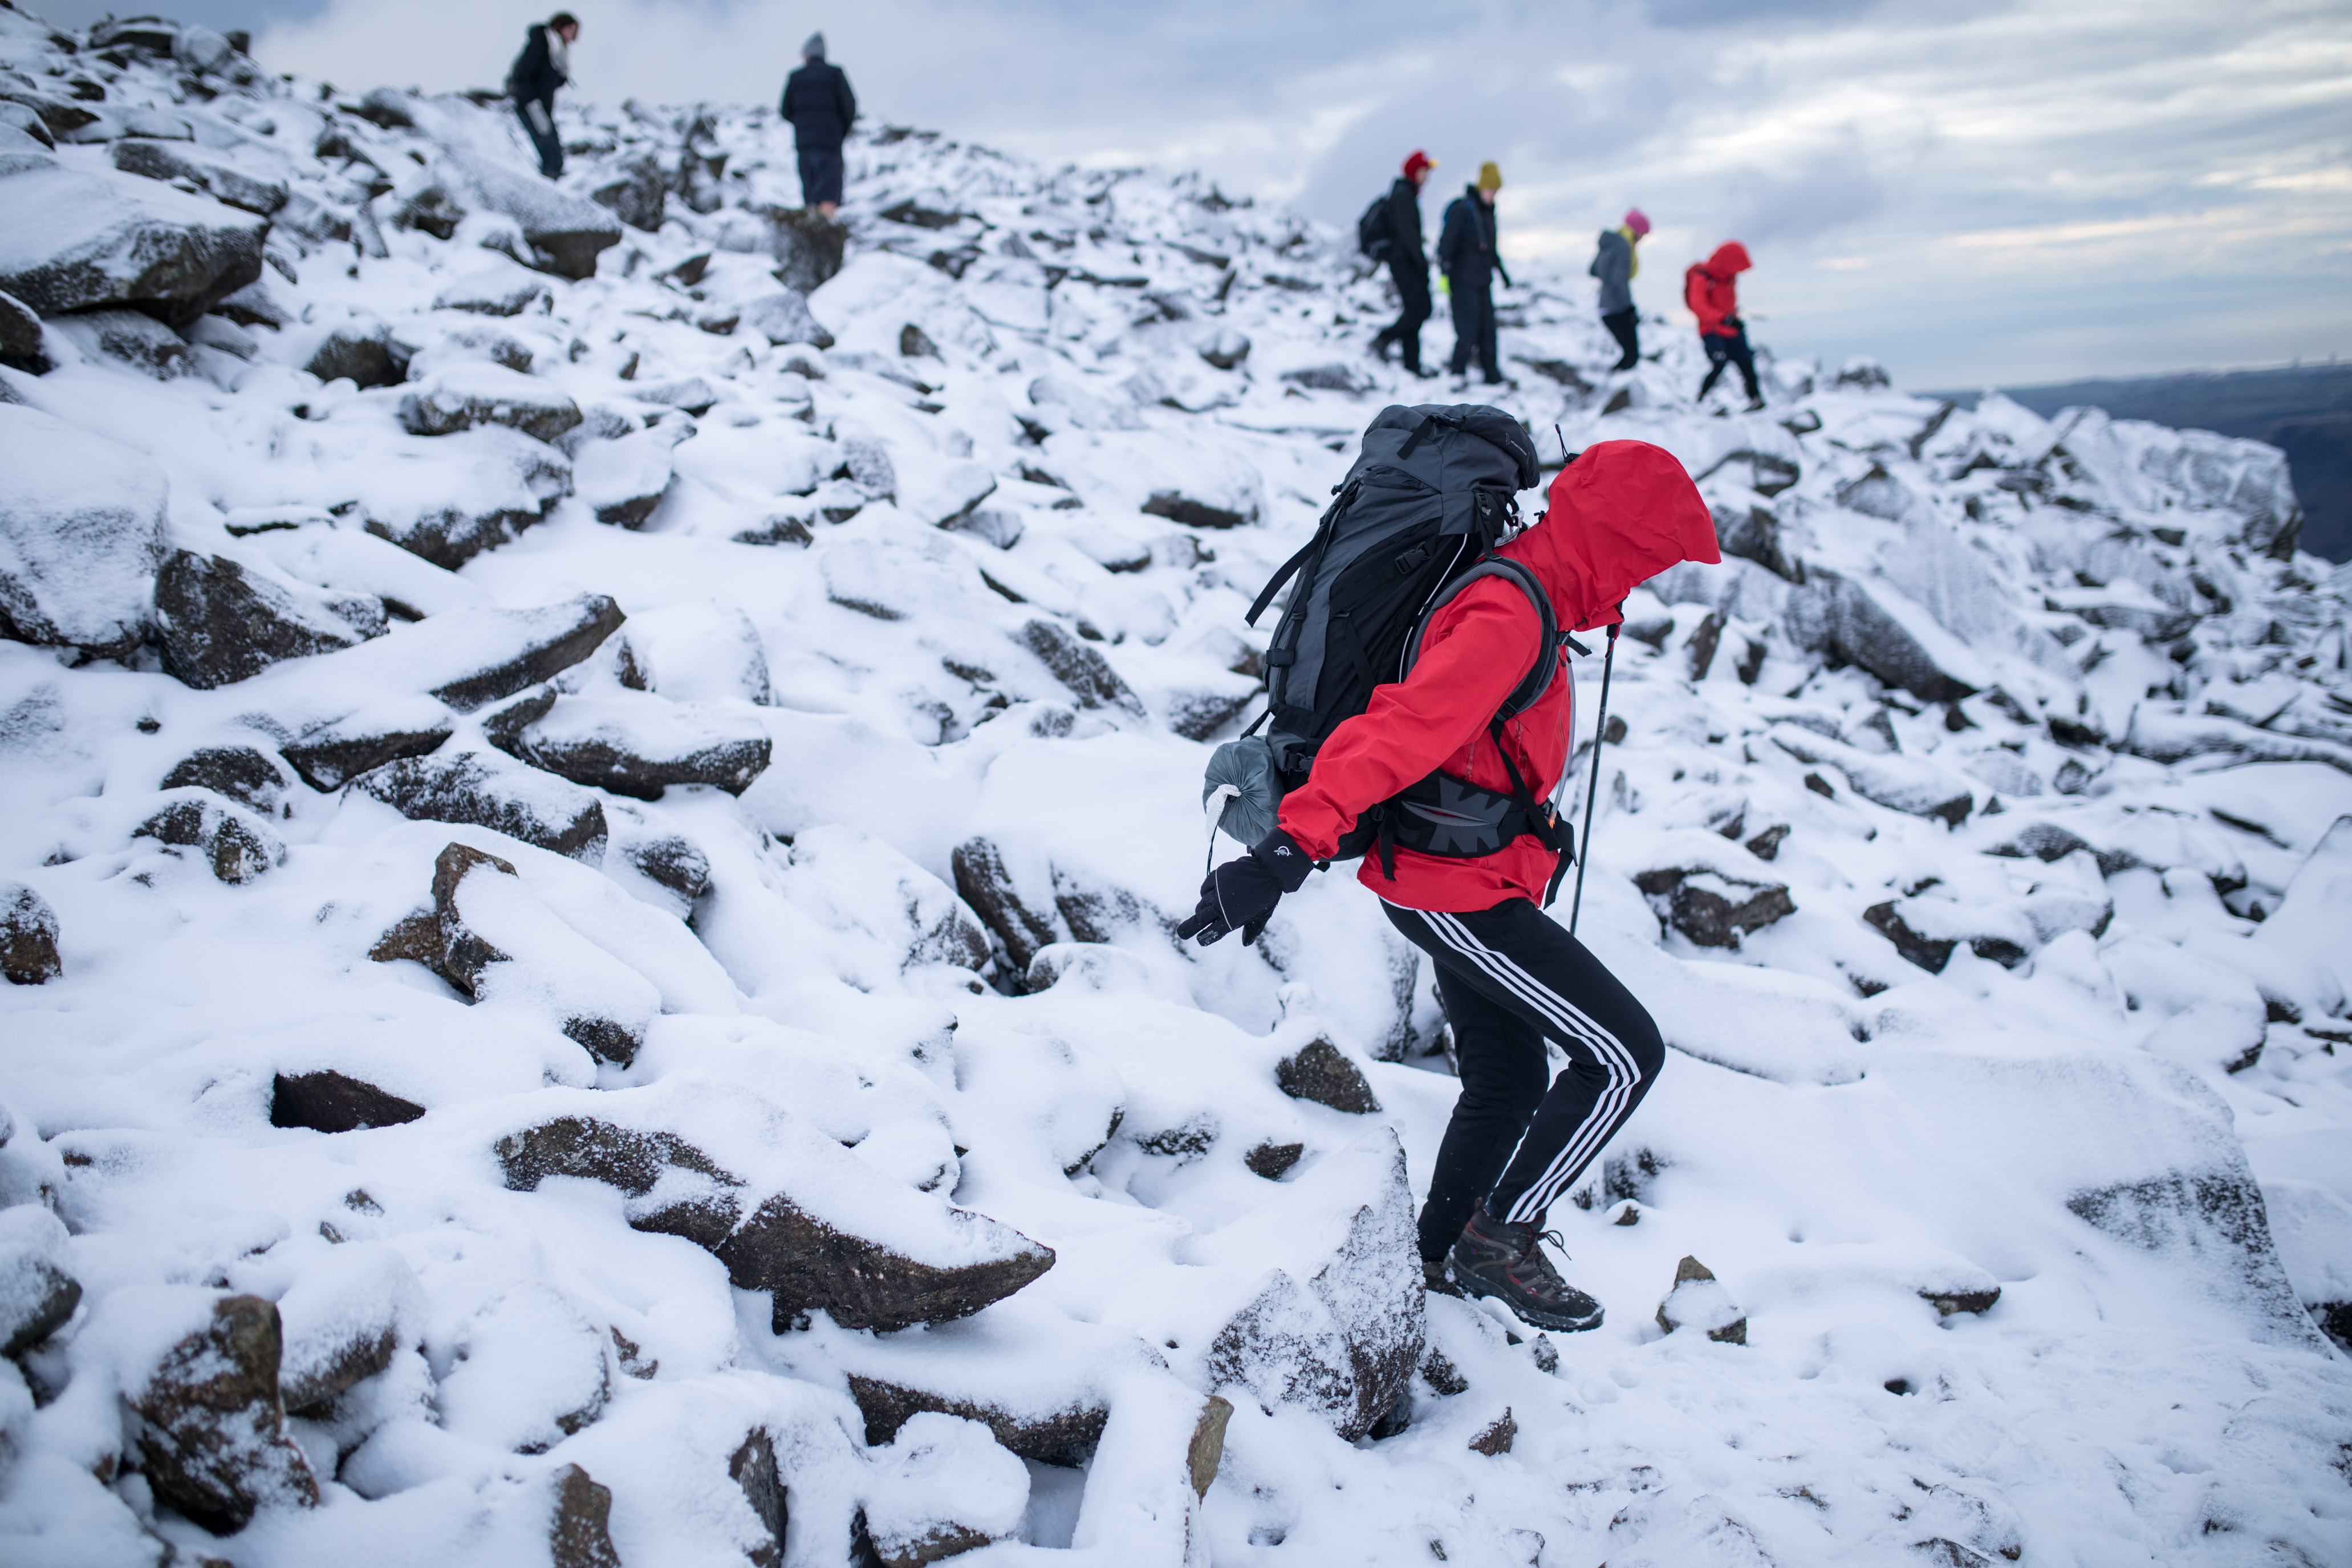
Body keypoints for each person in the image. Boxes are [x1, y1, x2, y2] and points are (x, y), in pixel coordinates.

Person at [1177, 440, 1721, 1333]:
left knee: (1506, 1080)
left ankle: (1431, 1264)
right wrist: (1286, 854)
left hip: (1479, 876)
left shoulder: (1542, 596)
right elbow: (1402, 730)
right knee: (1624, 1055)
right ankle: (1499, 1237)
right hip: (1452, 890)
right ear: (1613, 538)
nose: (1650, 576)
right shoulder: (1510, 609)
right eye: (1648, 555)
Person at [1437, 163, 1513, 385]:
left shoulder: (1488, 213)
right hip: (1462, 280)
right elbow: (1447, 241)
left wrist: (1503, 273)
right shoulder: (1464, 209)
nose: (1493, 194)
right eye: (1490, 189)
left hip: (1483, 280)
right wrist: (1444, 271)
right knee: (1467, 328)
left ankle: (1492, 374)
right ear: (1481, 187)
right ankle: (1457, 373)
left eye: (1496, 190)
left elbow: (1490, 248)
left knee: (1488, 329)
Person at [1367, 151, 1438, 377]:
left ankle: (1412, 364)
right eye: (1425, 170)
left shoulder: (1405, 194)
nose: (1428, 176)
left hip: (1403, 260)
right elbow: (1408, 236)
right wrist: (1422, 264)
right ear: (1414, 172)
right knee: (1422, 308)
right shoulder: (1403, 196)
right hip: (1404, 261)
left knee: (1414, 309)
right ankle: (1384, 338)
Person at [781, 31, 858, 218]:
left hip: (805, 143)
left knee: (811, 193)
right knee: (829, 192)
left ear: (807, 55)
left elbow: (785, 110)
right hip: (830, 142)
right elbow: (850, 106)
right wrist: (841, 131)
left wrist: (802, 125)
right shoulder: (835, 74)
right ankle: (827, 238)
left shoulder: (796, 77)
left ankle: (811, 238)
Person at [1685, 241, 1764, 411]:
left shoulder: (1729, 278)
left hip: (1731, 330)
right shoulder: (1702, 277)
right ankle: (1701, 399)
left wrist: (1733, 319)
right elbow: (1698, 306)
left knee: (1747, 363)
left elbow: (1726, 304)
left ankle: (1756, 400)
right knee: (1719, 363)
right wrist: (1723, 318)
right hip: (1712, 331)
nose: (1738, 273)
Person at [506, 11, 578, 180]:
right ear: (559, 26)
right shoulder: (541, 42)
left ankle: (552, 182)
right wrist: (531, 100)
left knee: (553, 152)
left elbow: (548, 79)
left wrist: (560, 76)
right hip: (531, 105)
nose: (572, 36)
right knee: (550, 153)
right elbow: (522, 72)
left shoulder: (556, 52)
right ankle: (549, 184)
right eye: (570, 30)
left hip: (541, 107)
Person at [1590, 208, 1650, 372]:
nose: (1643, 239)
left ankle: (1615, 387)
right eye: (1643, 234)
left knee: (1628, 356)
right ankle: (1617, 391)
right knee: (1632, 357)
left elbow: (1594, 270)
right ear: (1637, 232)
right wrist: (1628, 308)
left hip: (1605, 306)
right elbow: (1619, 281)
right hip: (1618, 308)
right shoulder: (1624, 247)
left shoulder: (1610, 245)